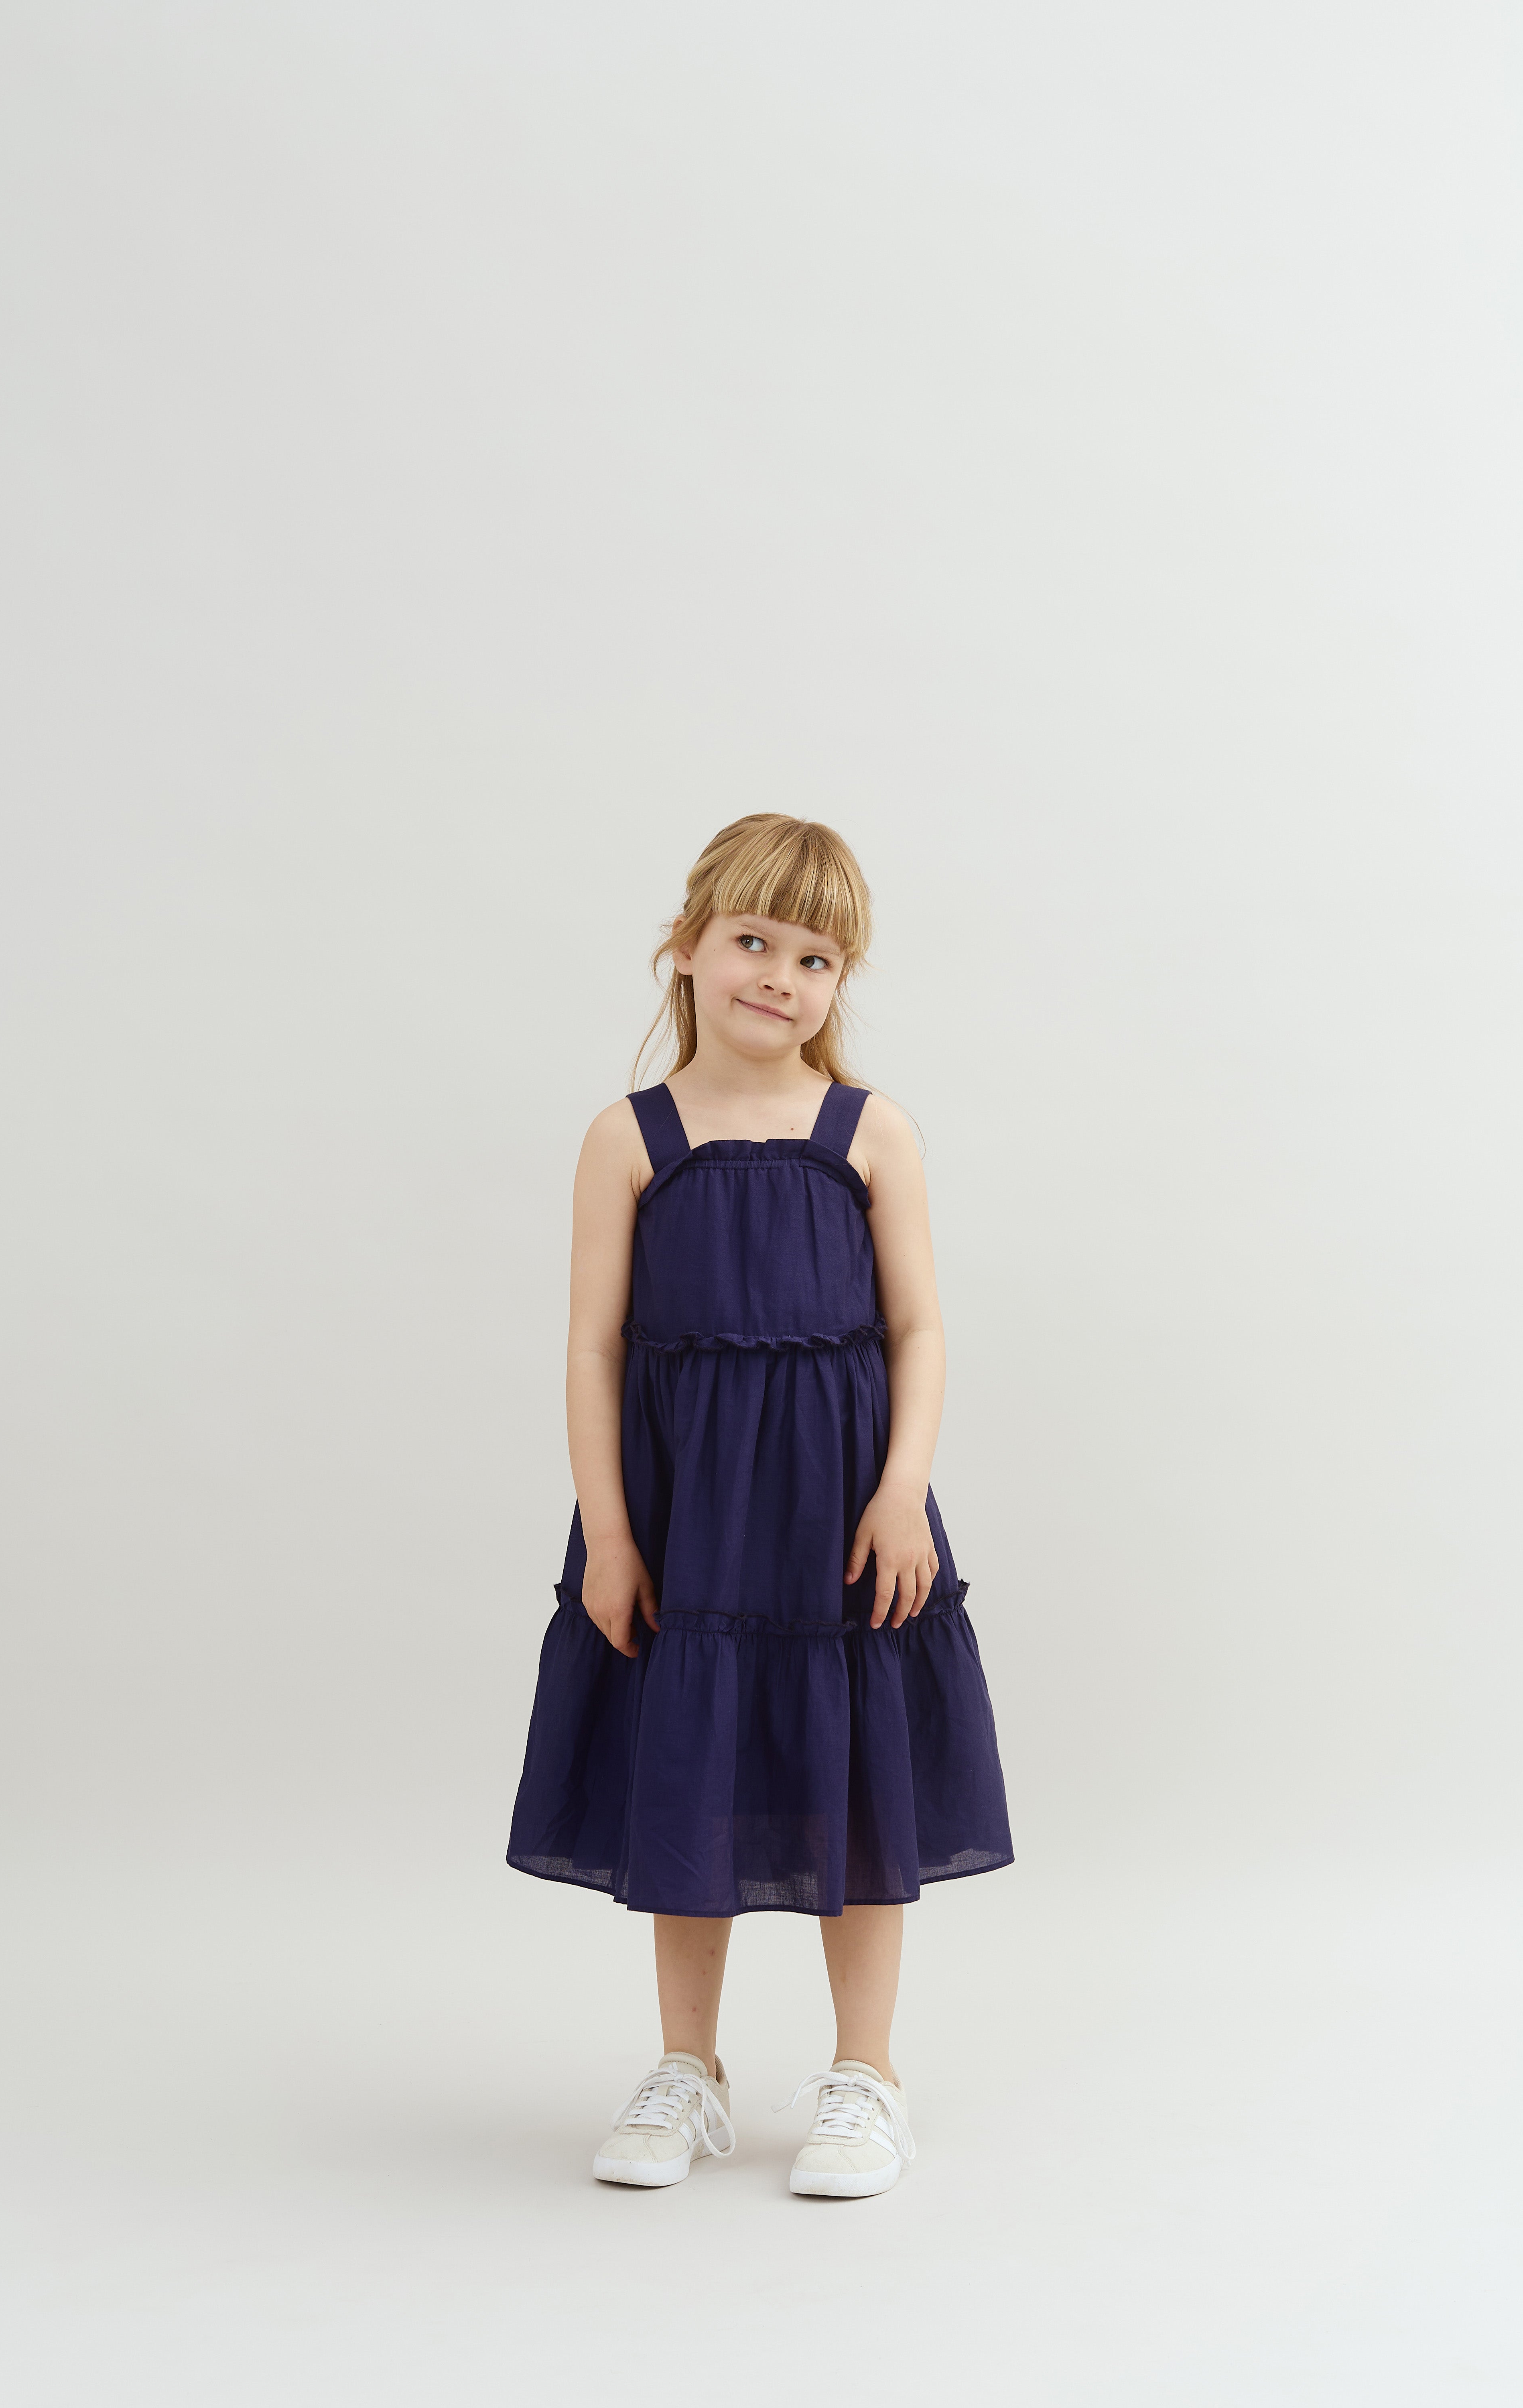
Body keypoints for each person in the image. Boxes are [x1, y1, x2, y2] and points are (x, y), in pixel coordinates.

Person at [508, 814, 1012, 2196]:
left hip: (841, 1505)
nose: (780, 976)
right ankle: (688, 2069)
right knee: (692, 1768)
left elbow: (919, 1328)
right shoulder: (630, 1138)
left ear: (841, 985)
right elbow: (594, 1348)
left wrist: (902, 1487)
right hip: (687, 1512)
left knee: (858, 1782)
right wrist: (610, 1532)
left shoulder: (871, 1133)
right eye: (752, 941)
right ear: (685, 948)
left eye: (817, 956)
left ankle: (867, 2076)